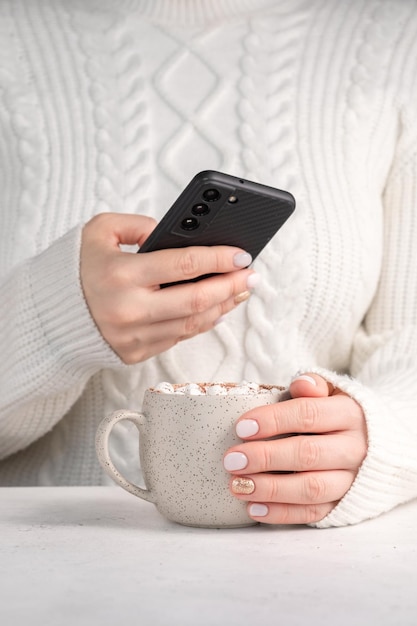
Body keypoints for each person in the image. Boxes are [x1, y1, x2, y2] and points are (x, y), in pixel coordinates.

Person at [0, 0, 416, 529]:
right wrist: (56, 321)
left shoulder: (396, 37)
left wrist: (383, 437)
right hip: (38, 563)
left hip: (311, 570)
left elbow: (410, 344)